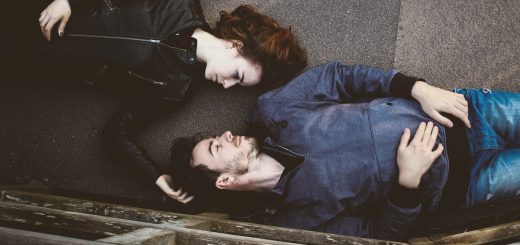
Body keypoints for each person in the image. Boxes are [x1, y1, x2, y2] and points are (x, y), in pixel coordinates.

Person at [170, 62, 520, 240]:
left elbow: (340, 76)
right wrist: (408, 181)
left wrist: (418, 88)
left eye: (218, 136)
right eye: (217, 146)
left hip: (461, 111)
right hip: (467, 182)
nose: (227, 134)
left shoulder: (273, 110)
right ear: (226, 181)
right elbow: (381, 233)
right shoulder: (296, 221)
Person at [26, 0, 308, 204]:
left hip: (39, 63)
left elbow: (117, 132)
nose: (226, 85)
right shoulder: (181, 5)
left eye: (236, 85)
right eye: (236, 75)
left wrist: (157, 178)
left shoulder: (177, 89)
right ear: (236, 46)